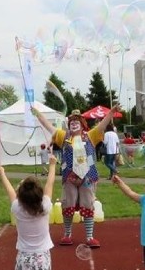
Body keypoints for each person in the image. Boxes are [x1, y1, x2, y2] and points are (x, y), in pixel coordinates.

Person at [33, 105, 119, 248]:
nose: (73, 124)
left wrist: (111, 112)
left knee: (87, 204)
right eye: (71, 122)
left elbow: (103, 124)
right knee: (68, 205)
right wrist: (37, 114)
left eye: (76, 121)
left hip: (87, 178)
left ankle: (90, 237)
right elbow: (48, 126)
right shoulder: (63, 136)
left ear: (82, 124)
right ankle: (67, 234)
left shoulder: (91, 135)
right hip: (70, 178)